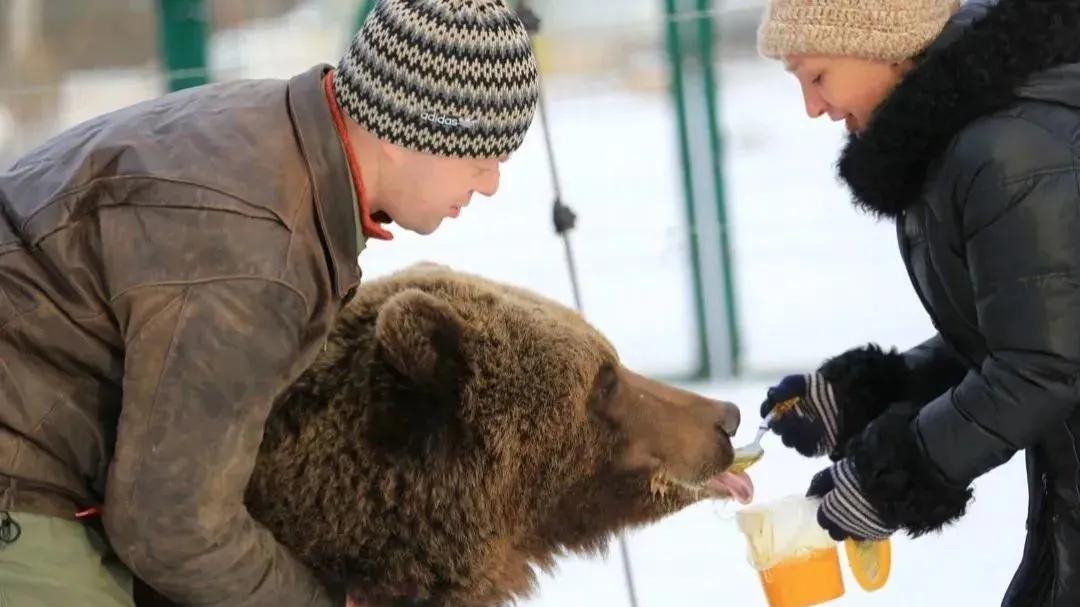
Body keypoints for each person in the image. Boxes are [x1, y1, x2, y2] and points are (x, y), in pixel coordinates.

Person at [0, 0, 539, 605]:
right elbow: (170, 526)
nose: (491, 182)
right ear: (412, 128)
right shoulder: (262, 247)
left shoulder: (278, 133)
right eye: (482, 154)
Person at [754, 0, 1080, 604]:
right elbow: (1026, 328)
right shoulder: (966, 139)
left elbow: (1046, 367)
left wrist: (894, 477)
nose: (812, 108)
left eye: (817, 76)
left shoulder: (1011, 150)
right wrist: (874, 392)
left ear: (883, 41)